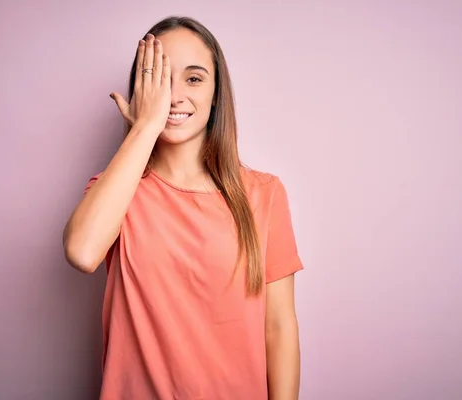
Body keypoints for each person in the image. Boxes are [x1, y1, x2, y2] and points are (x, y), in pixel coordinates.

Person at [63, 15, 304, 400]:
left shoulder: (264, 193)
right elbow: (81, 252)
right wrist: (145, 126)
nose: (174, 95)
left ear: (216, 92)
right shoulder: (116, 193)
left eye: (193, 78)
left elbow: (278, 327)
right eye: (159, 78)